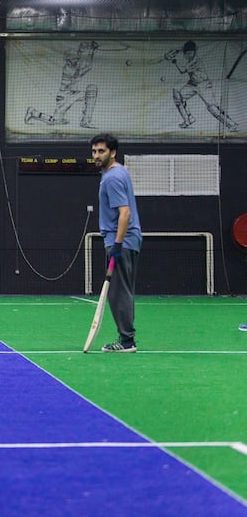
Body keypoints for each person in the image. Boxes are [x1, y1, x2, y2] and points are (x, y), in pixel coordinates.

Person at [92, 133, 141, 353]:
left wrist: (117, 245)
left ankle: (126, 341)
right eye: (94, 151)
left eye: (101, 151)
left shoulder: (112, 178)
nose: (96, 155)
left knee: (118, 292)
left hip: (121, 241)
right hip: (126, 240)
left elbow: (125, 212)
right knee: (121, 291)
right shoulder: (118, 172)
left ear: (113, 153)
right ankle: (126, 338)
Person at [164, 40, 238, 131]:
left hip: (204, 85)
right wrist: (175, 51)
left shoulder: (195, 60)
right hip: (192, 84)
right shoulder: (188, 55)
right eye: (187, 53)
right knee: (177, 94)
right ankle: (188, 119)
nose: (189, 55)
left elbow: (182, 70)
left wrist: (173, 60)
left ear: (194, 52)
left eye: (191, 53)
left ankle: (231, 124)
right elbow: (181, 48)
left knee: (212, 108)